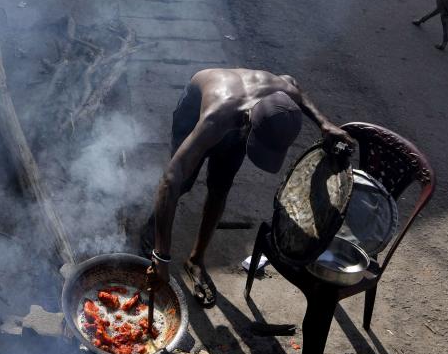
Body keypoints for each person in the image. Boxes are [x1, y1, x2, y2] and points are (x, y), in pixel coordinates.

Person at [143, 68, 353, 306]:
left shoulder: (282, 91)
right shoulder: (217, 117)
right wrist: (162, 256)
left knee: (220, 188)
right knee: (182, 184)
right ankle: (153, 230)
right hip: (195, 111)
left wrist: (323, 123)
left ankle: (195, 260)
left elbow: (293, 84)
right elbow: (170, 179)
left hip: (240, 119)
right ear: (248, 122)